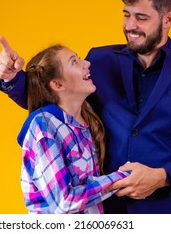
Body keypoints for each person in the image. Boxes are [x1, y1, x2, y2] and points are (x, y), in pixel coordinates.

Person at [0, 0, 171, 214]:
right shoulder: (99, 59)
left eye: (141, 17)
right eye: (126, 15)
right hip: (103, 211)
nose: (130, 26)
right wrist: (12, 78)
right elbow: (55, 96)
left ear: (168, 19)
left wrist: (161, 177)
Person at [16, 44, 129, 213]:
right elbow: (64, 201)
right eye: (74, 62)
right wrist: (126, 177)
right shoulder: (44, 126)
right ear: (58, 84)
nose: (87, 64)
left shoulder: (87, 117)